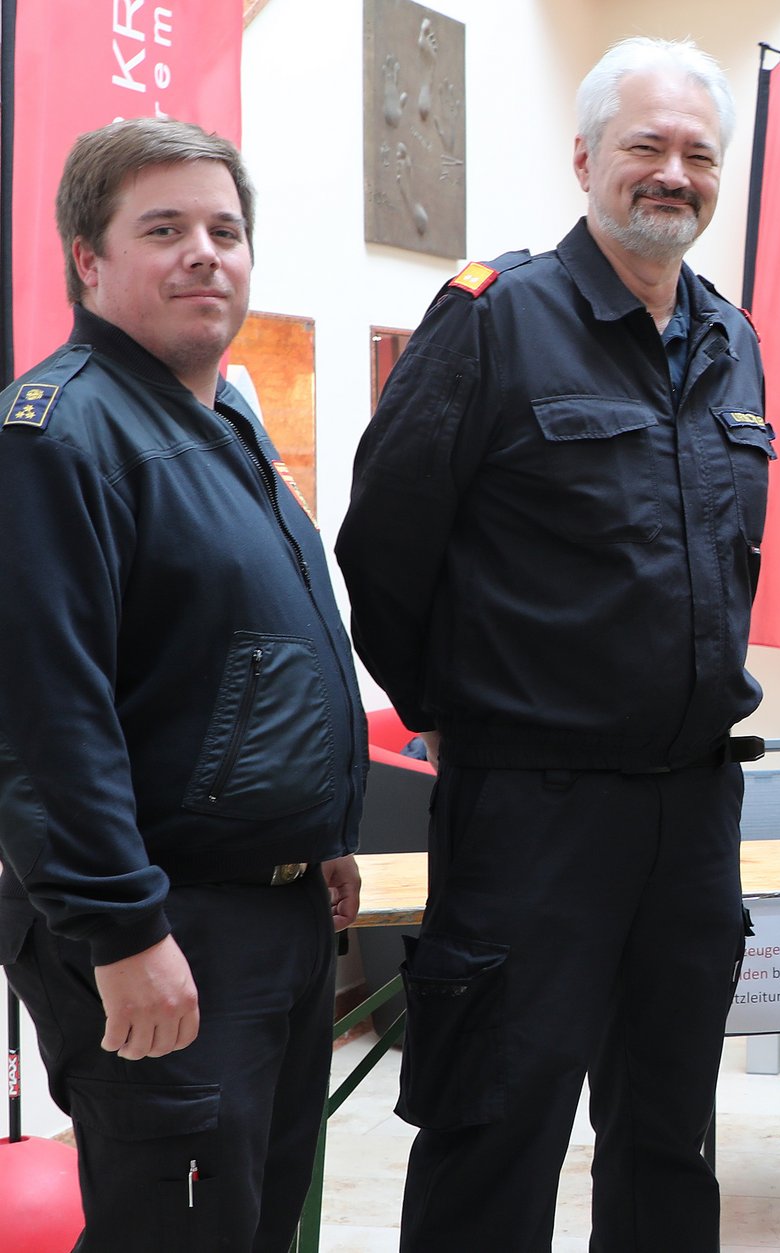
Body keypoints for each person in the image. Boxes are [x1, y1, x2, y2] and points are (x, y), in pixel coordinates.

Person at [335, 37, 771, 1253]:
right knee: (496, 1122)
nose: (672, 173)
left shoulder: (732, 341)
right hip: (532, 809)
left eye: (697, 153)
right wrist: (467, 710)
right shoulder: (493, 320)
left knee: (671, 1135)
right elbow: (383, 544)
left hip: (691, 815)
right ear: (584, 158)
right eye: (646, 146)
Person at [0, 118, 367, 1252]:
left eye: (225, 228)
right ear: (88, 258)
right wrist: (120, 930)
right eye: (163, 228)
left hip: (269, 914)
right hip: (165, 924)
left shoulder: (219, 427)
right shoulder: (59, 438)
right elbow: (44, 719)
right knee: (182, 1226)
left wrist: (320, 830)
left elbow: (238, 660)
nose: (205, 251)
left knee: (251, 1222)